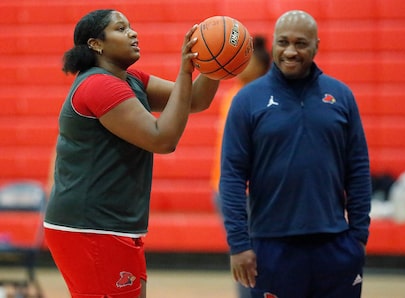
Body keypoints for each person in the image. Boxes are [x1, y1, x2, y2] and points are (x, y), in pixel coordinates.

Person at [43, 9, 219, 298]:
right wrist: (186, 70)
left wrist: (215, 65)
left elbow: (194, 100)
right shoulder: (98, 85)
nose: (133, 33)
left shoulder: (130, 79)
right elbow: (162, 139)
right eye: (121, 29)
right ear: (96, 44)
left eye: (131, 27)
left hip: (110, 224)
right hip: (90, 227)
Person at [219, 10, 371, 298]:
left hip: (335, 244)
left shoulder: (341, 95)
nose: (290, 51)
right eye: (282, 42)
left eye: (300, 43)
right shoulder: (246, 100)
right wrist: (239, 244)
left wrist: (359, 236)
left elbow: (359, 169)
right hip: (271, 246)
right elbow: (232, 177)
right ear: (273, 44)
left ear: (316, 45)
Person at [210, 36, 271, 298]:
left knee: (260, 257)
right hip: (229, 189)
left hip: (258, 192)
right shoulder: (233, 94)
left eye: (249, 63)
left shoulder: (267, 98)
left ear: (263, 67)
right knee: (244, 255)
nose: (243, 68)